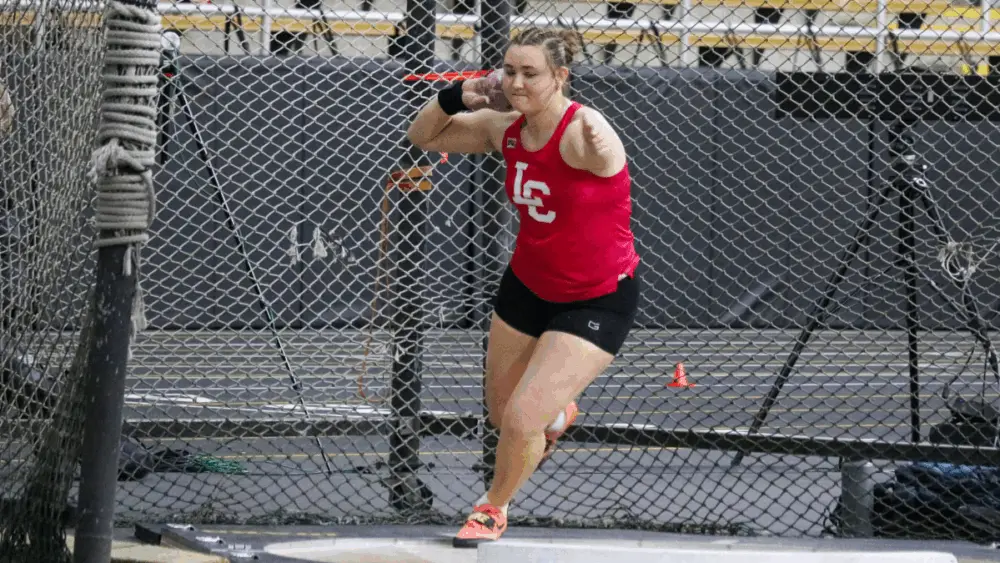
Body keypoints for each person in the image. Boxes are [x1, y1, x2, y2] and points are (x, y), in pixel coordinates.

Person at [405, 26, 641, 548]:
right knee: (500, 412)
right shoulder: (504, 128)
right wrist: (453, 95)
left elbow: (606, 156)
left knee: (518, 419)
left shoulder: (582, 131)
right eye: (509, 71)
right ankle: (558, 413)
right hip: (527, 287)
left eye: (530, 73)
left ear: (560, 77)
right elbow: (424, 136)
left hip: (596, 295)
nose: (516, 82)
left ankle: (492, 508)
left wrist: (600, 129)